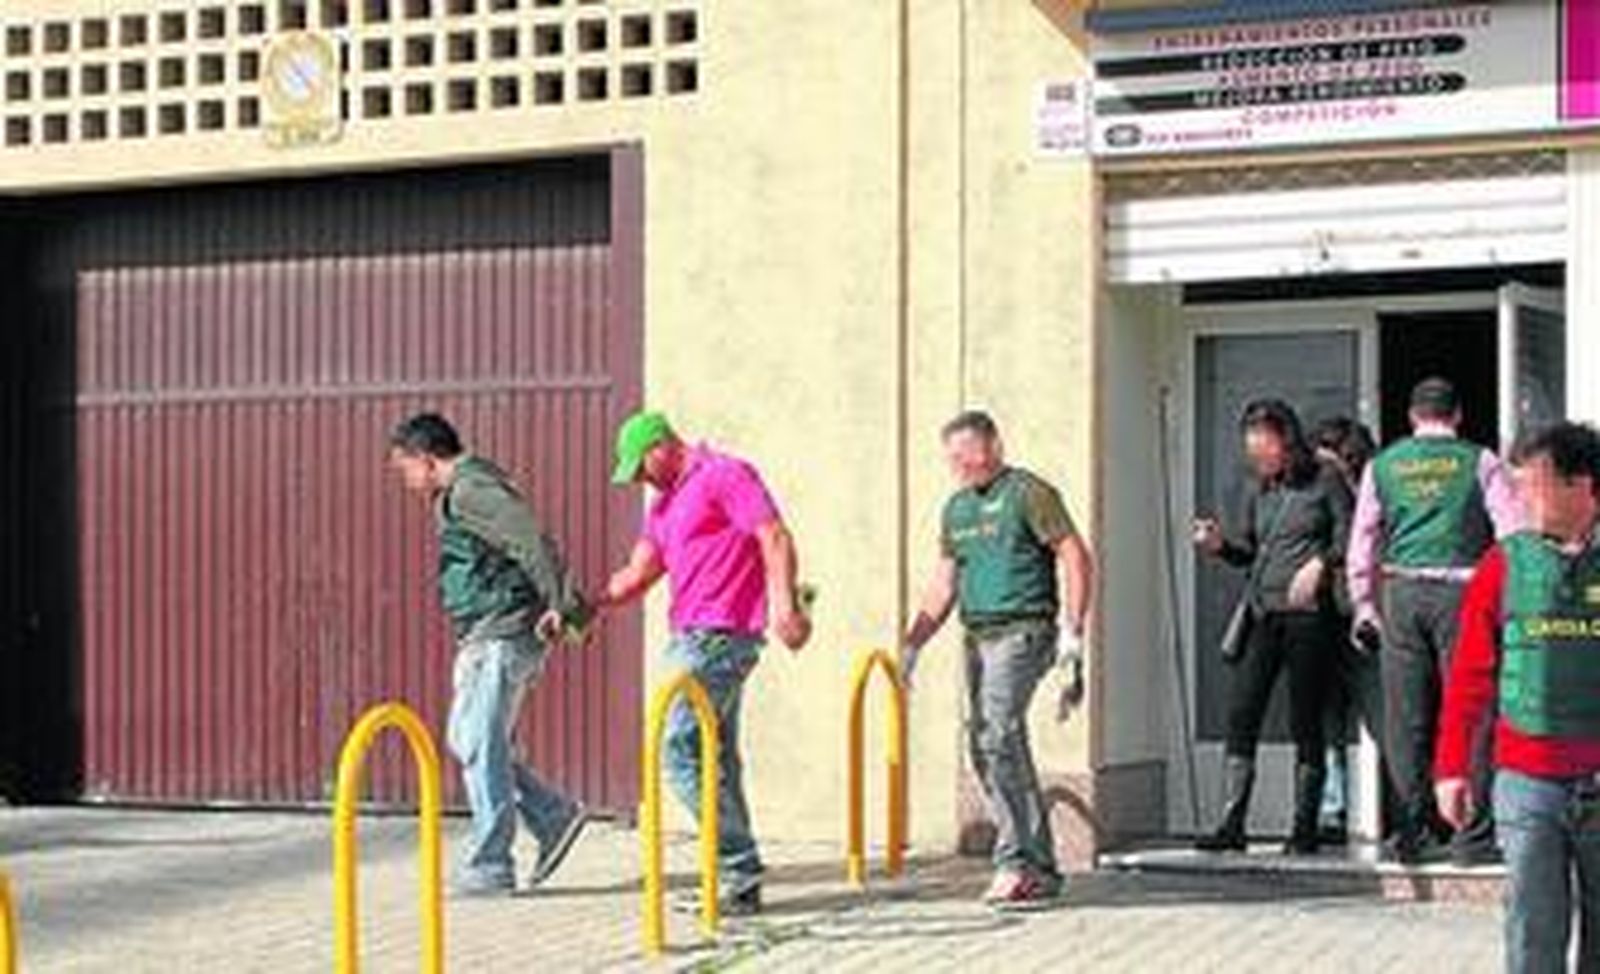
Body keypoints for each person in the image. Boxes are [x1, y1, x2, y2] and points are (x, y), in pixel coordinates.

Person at [595, 410, 811, 917]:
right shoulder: (663, 506)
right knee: (717, 756)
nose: (641, 479)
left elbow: (773, 536)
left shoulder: (724, 475)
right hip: (689, 636)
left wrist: (785, 606)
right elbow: (638, 572)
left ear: (661, 446)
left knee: (676, 747)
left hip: (721, 636)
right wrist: (584, 606)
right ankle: (739, 877)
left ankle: (736, 868)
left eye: (641, 467)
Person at [386, 413, 593, 897]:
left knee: (480, 741)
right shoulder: (460, 492)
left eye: (405, 470)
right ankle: (553, 815)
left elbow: (531, 540)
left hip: (502, 632)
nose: (406, 482)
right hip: (486, 631)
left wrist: (565, 606)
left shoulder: (472, 491)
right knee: (469, 739)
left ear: (426, 458)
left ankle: (491, 862)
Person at [900, 411, 1095, 909]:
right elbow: (944, 583)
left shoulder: (1028, 493)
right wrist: (912, 644)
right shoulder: (957, 510)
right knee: (986, 744)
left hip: (1024, 630)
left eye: (969, 454)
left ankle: (1015, 863)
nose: (961, 465)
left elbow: (1074, 554)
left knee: (997, 733)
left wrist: (1072, 633)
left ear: (995, 446)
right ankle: (1039, 867)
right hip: (978, 634)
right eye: (954, 458)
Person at [1436, 421, 1600, 973]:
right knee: (1534, 932)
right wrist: (1452, 768)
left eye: (1534, 484)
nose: (1519, 497)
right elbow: (1469, 677)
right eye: (1518, 482)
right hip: (1528, 784)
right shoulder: (1502, 565)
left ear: (1583, 487)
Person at [1348, 377, 1522, 866]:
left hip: (1401, 593)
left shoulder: (1382, 466)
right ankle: (1471, 839)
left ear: (1411, 417)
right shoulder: (1481, 461)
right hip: (1465, 594)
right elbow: (1510, 535)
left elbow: (1363, 542)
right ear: (1459, 415)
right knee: (1470, 713)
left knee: (1406, 718)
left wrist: (1364, 604)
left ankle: (1412, 833)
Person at [1193, 399, 1352, 855]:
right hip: (1264, 615)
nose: (1259, 459)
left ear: (1287, 440)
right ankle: (1232, 823)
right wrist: (1221, 545)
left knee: (1306, 720)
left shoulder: (1325, 480)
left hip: (1309, 618)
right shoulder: (1260, 491)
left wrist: (1320, 564)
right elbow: (1250, 552)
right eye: (1252, 452)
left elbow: (1349, 536)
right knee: (1242, 714)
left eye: (1265, 449)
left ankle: (1304, 826)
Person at [1312, 417, 1384, 845]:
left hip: (1364, 615)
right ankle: (1333, 809)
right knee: (1328, 718)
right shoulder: (1322, 489)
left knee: (1381, 712)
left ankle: (1397, 810)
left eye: (1328, 453)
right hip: (1326, 616)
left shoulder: (1374, 492)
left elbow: (1358, 541)